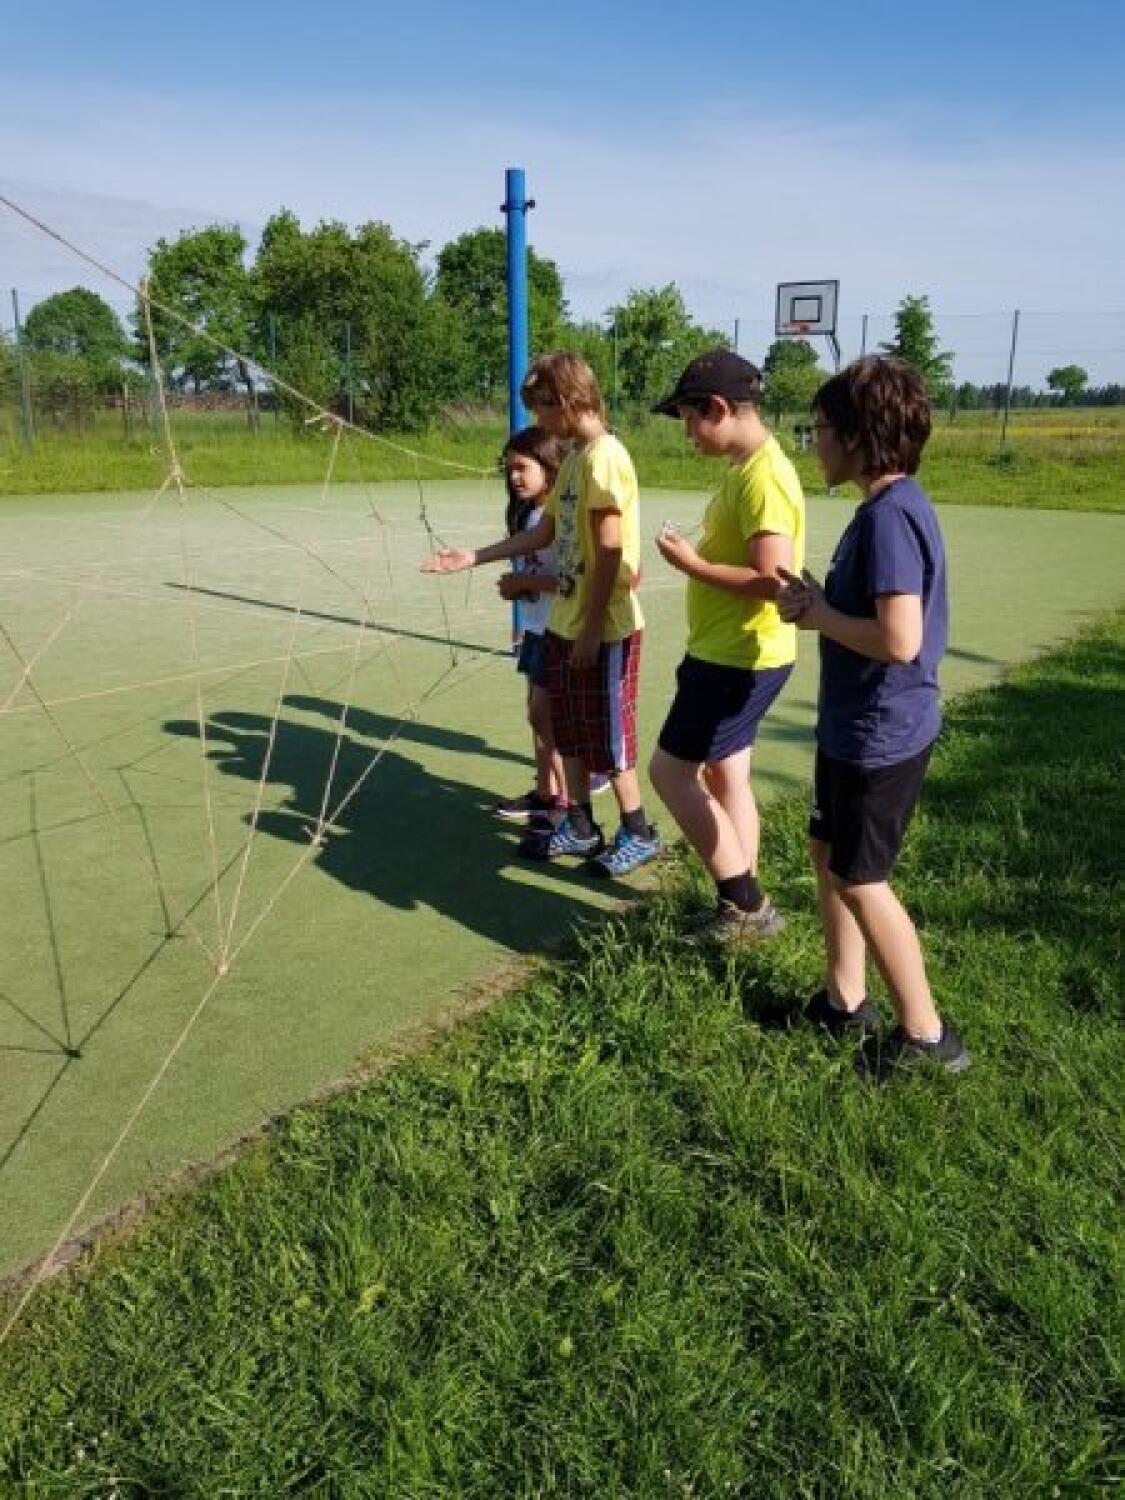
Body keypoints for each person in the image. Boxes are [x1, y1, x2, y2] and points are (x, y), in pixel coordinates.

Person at [777, 355, 970, 1078]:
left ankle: (927, 1037)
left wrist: (818, 615)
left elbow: (898, 638)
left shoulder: (889, 517)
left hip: (878, 734)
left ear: (857, 436)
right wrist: (820, 603)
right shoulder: (887, 508)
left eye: (820, 429)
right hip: (853, 724)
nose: (814, 443)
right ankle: (845, 1000)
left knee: (861, 878)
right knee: (827, 851)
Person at [422, 352, 661, 878]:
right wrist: (474, 556)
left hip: (605, 625)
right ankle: (579, 823)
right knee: (567, 727)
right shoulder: (573, 458)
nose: (538, 420)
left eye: (543, 407)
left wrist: (593, 629)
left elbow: (611, 551)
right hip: (564, 620)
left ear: (569, 400)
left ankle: (638, 830)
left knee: (608, 735)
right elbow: (547, 532)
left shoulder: (604, 458)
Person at [648, 350, 805, 942]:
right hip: (737, 651)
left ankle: (746, 906)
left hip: (735, 658)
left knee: (670, 773)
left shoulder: (763, 477)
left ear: (718, 408)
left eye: (691, 419)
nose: (687, 433)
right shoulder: (748, 468)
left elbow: (772, 579)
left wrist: (691, 564)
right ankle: (742, 896)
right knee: (726, 775)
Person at [491, 426, 567, 828]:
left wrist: (525, 582)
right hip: (538, 629)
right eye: (509, 470)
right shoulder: (527, 514)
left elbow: (569, 582)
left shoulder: (557, 518)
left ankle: (566, 803)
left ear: (549, 466)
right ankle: (545, 792)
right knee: (537, 717)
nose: (515, 476)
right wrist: (520, 589)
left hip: (560, 630)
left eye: (522, 467)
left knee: (546, 716)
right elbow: (536, 577)